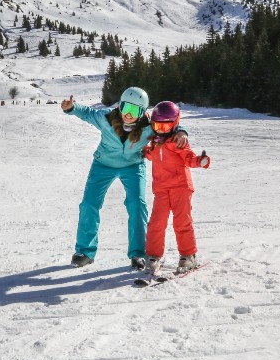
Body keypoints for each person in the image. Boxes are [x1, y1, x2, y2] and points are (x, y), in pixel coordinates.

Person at [62, 88, 188, 270]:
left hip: (133, 166)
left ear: (143, 111)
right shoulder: (106, 118)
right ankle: (85, 252)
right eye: (125, 107)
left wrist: (182, 132)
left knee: (137, 204)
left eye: (135, 110)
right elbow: (87, 113)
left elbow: (169, 126)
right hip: (103, 165)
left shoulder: (149, 127)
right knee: (89, 204)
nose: (128, 114)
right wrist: (71, 107)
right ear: (119, 106)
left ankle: (138, 254)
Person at [142, 101, 210, 275]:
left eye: (166, 127)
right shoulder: (154, 142)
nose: (161, 130)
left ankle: (189, 255)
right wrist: (144, 151)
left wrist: (200, 161)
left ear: (174, 124)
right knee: (157, 223)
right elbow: (151, 155)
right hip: (161, 189)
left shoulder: (178, 141)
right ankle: (153, 256)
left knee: (182, 222)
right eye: (157, 126)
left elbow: (189, 158)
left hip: (181, 187)